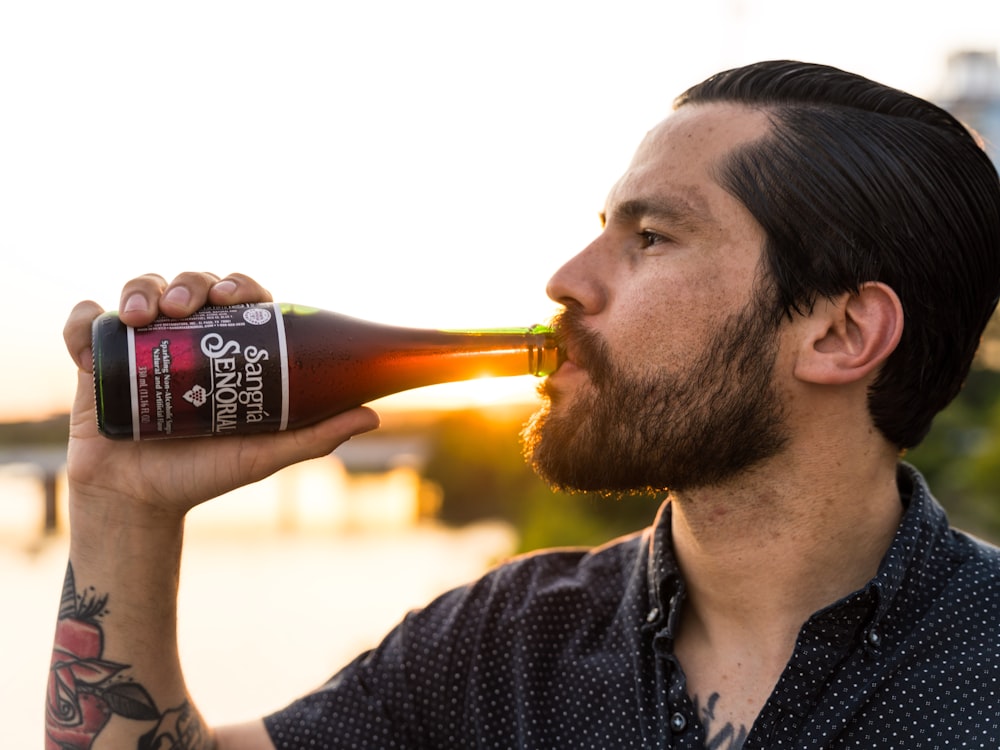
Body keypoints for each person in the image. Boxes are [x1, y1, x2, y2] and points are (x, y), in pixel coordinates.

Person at [46, 59, 1000, 750]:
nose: (565, 281)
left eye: (653, 238)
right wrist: (121, 507)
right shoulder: (496, 643)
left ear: (839, 333)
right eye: (601, 233)